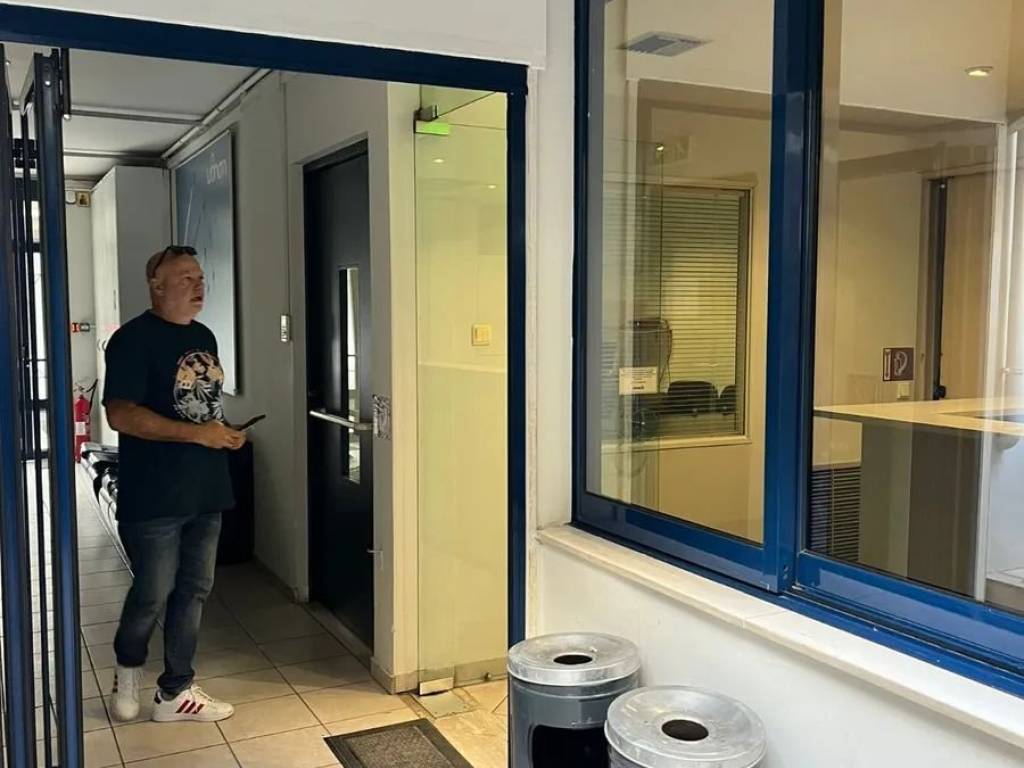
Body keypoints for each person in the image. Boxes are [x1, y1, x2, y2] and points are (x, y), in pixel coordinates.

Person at [104, 245, 245, 723]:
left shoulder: (204, 335)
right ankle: (128, 670)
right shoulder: (131, 340)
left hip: (206, 488)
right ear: (157, 285)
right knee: (152, 592)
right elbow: (121, 415)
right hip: (154, 494)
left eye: (200, 276)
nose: (197, 284)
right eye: (185, 276)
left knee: (195, 590)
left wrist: (224, 433)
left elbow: (203, 407)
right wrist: (198, 434)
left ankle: (175, 691)